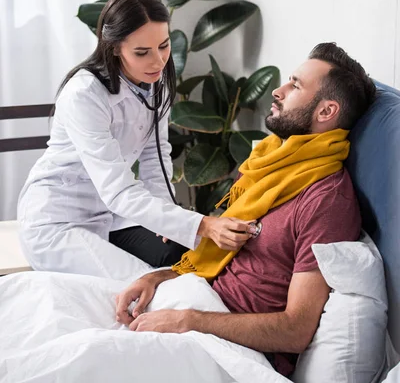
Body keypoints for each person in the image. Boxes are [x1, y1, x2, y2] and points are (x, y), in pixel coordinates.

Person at [115, 42, 377, 377]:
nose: (278, 91)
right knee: (37, 300)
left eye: (295, 85)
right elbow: (220, 262)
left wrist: (188, 321)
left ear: (326, 112)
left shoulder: (325, 201)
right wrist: (158, 277)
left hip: (229, 349)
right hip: (192, 303)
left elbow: (295, 330)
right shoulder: (266, 165)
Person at [18, 0, 254, 277]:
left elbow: (156, 156)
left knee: (179, 258)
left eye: (164, 46)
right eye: (142, 52)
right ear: (115, 47)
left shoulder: (155, 83)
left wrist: (169, 220)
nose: (158, 61)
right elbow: (118, 190)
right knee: (144, 283)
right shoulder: (84, 95)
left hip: (113, 215)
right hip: (60, 219)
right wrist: (202, 224)